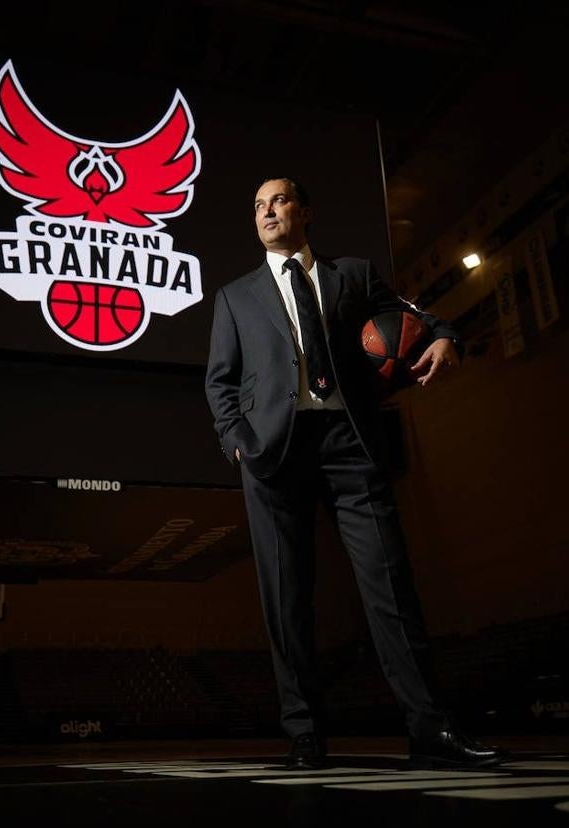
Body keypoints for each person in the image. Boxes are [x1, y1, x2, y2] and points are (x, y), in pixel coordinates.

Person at [204, 177, 508, 770]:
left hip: (350, 442)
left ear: (306, 210)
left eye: (280, 200)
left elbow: (418, 315)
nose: (267, 211)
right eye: (259, 205)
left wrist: (445, 337)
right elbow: (220, 383)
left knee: (391, 588)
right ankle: (306, 736)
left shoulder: (355, 275)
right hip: (273, 456)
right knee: (287, 601)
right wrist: (238, 444)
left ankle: (430, 732)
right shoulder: (234, 297)